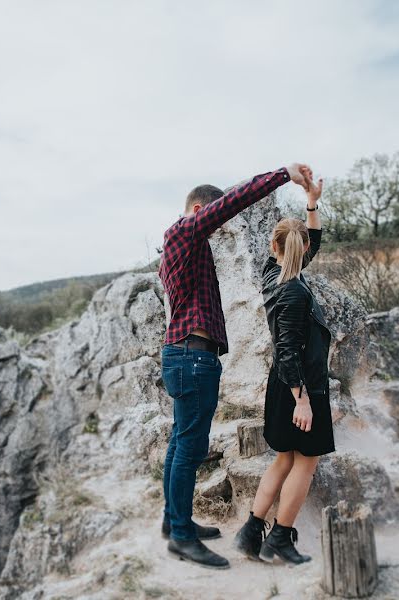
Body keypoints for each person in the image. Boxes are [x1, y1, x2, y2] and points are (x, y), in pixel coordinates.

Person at [158, 162, 315, 569]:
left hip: (187, 355)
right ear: (198, 212)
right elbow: (234, 201)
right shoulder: (184, 230)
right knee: (189, 449)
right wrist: (285, 175)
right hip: (192, 357)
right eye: (209, 219)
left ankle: (175, 521)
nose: (213, 227)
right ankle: (180, 536)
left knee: (180, 444)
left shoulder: (185, 245)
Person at [233, 171, 334, 565]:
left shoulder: (272, 274)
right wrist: (303, 401)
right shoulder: (293, 290)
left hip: (283, 385)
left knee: (285, 459)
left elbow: (310, 244)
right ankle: (279, 539)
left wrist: (311, 204)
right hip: (300, 388)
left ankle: (249, 532)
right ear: (300, 247)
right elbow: (288, 348)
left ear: (274, 247)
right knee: (305, 464)